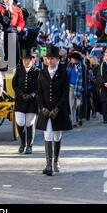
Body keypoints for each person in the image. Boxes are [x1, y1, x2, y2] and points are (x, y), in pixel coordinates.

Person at [36, 44, 72, 176]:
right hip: (46, 110)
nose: (50, 61)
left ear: (58, 60)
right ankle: (48, 164)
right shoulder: (41, 73)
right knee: (48, 135)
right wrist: (42, 108)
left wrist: (57, 108)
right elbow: (39, 92)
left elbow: (65, 93)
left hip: (59, 109)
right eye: (48, 58)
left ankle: (56, 161)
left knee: (57, 136)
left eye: (52, 59)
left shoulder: (63, 73)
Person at [12, 48, 39, 154]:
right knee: (20, 122)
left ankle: (29, 145)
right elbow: (14, 85)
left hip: (32, 101)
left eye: (28, 59)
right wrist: (21, 94)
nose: (26, 61)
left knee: (29, 123)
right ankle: (22, 143)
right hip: (20, 100)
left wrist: (32, 95)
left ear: (32, 60)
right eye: (24, 60)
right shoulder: (19, 70)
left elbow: (39, 87)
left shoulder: (37, 71)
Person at [67, 51, 84, 128]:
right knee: (72, 105)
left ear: (76, 59)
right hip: (71, 87)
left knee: (79, 104)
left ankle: (79, 117)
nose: (71, 60)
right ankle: (73, 122)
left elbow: (84, 78)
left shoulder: (82, 67)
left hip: (79, 87)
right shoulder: (69, 66)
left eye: (72, 59)